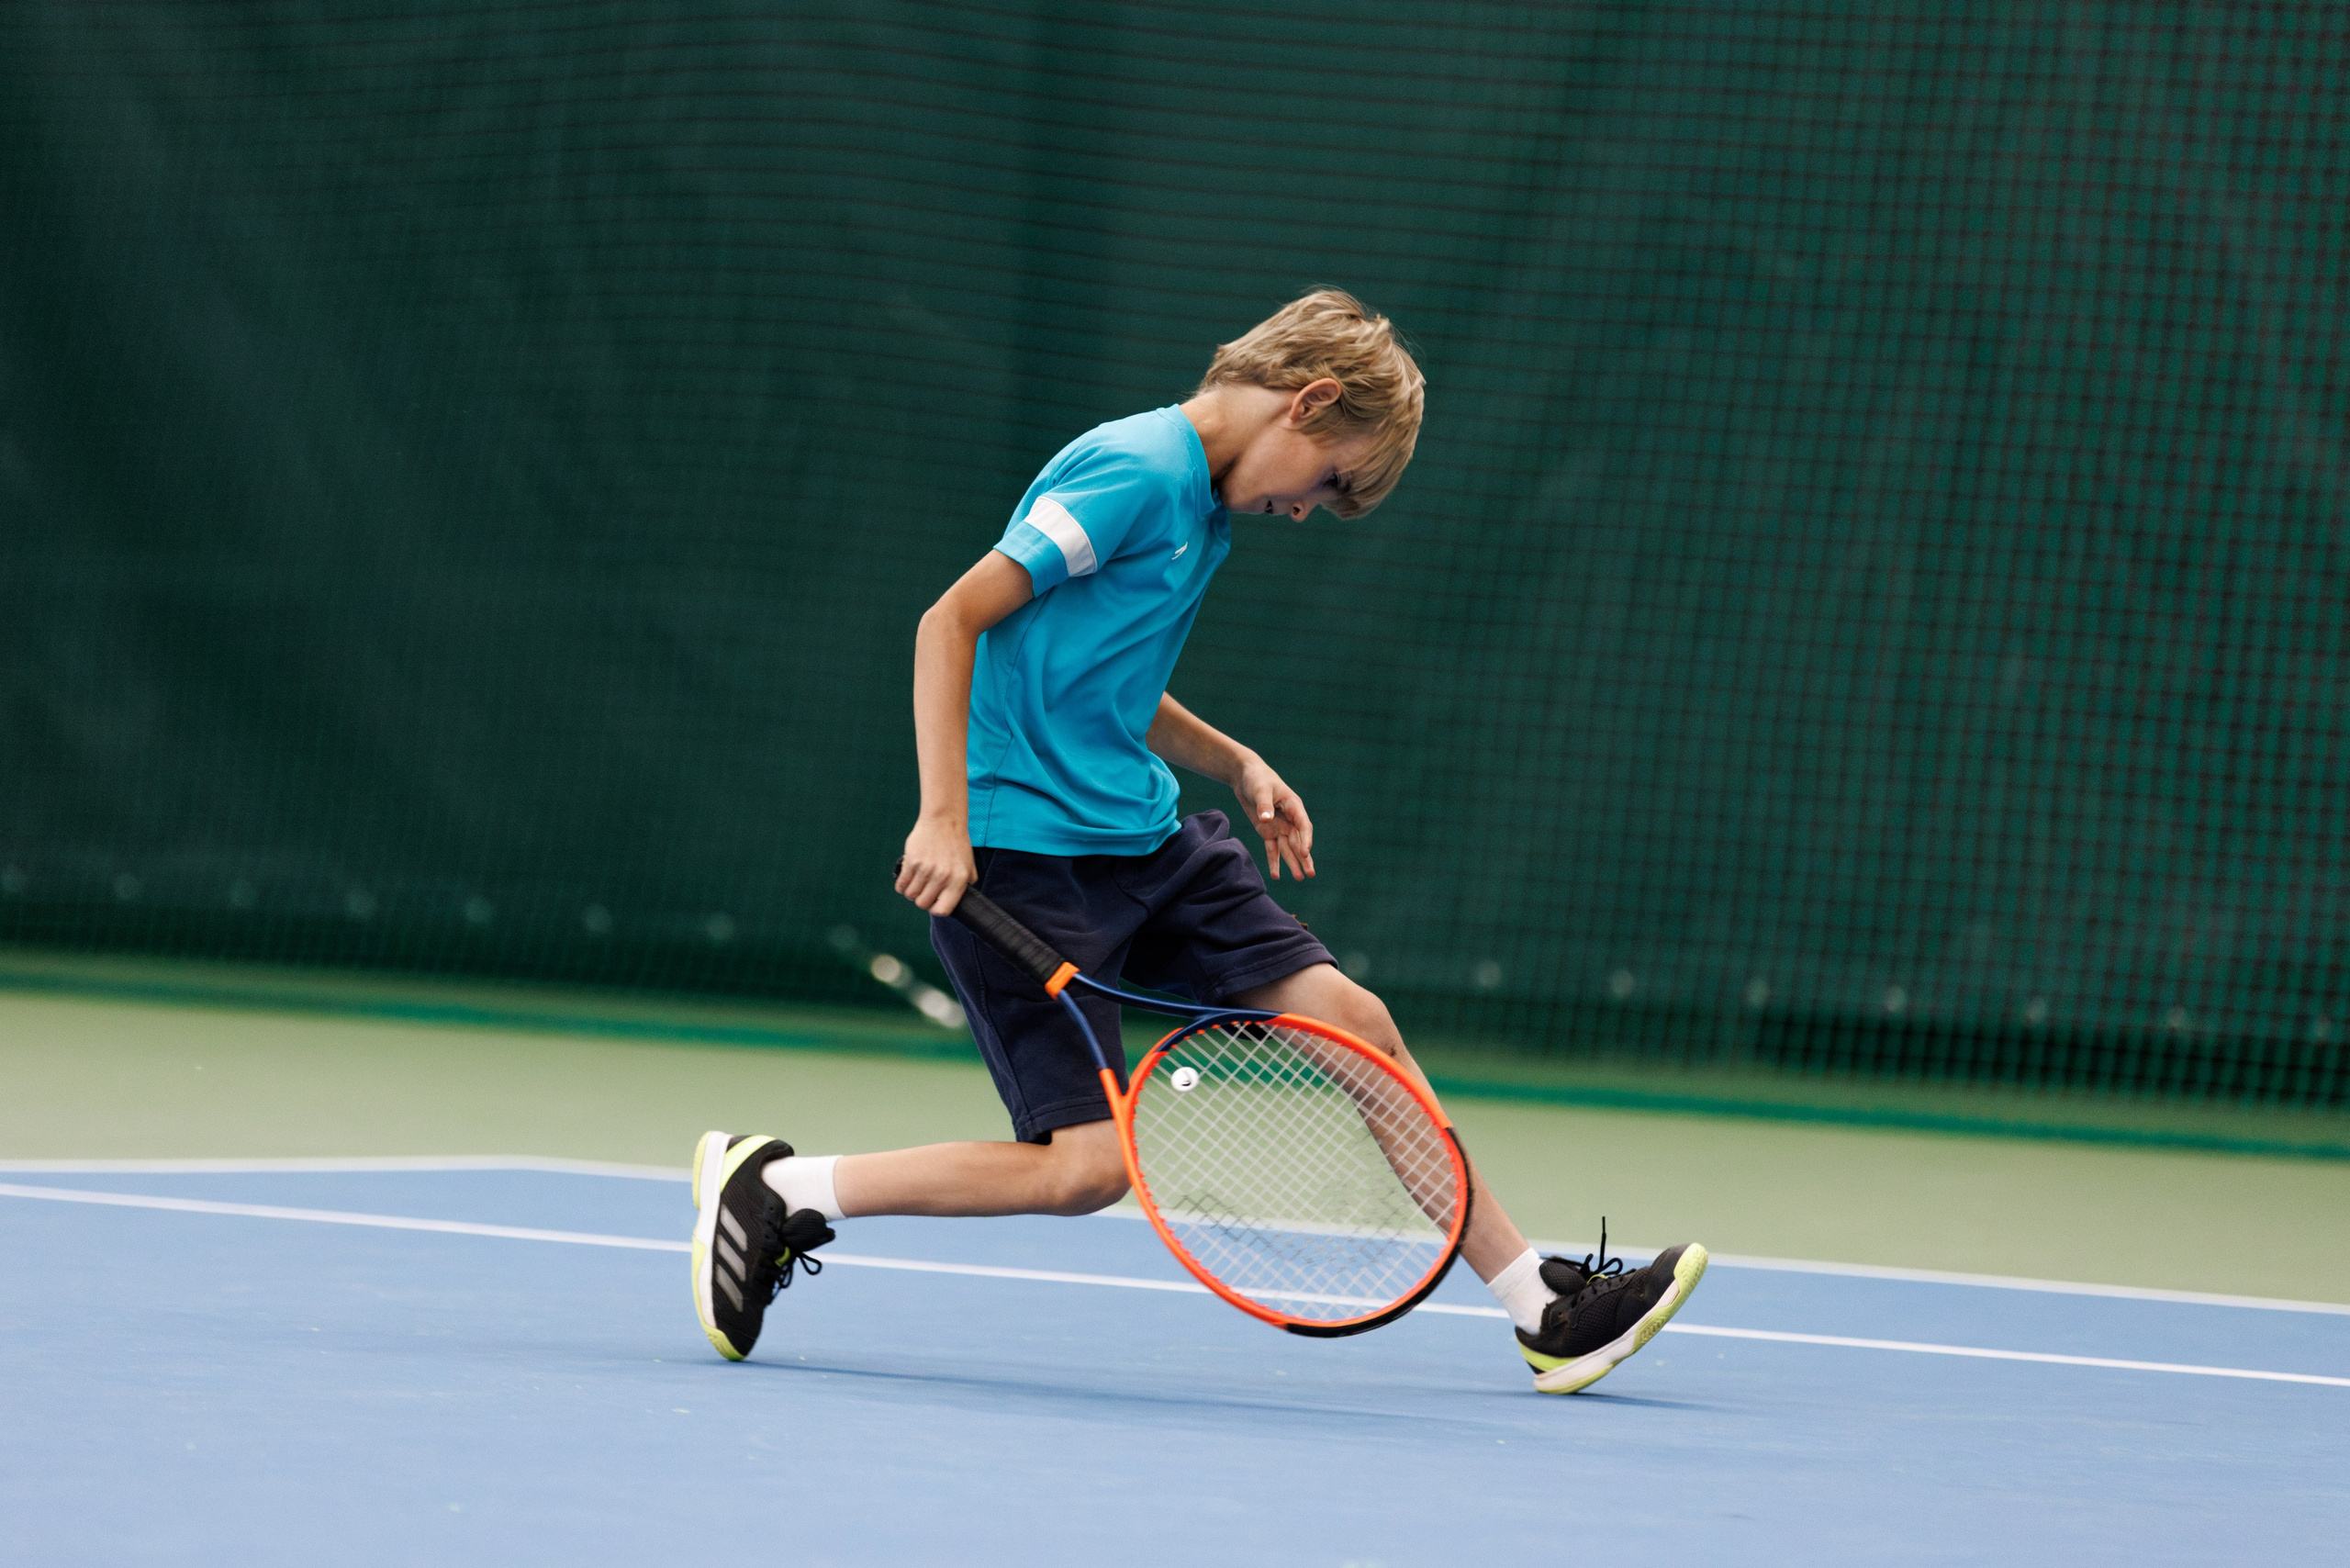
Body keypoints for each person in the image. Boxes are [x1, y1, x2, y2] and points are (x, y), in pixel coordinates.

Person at [690, 288, 1707, 1394]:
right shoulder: (1132, 472)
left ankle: (1541, 1306)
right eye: (1330, 481)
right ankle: (783, 1192)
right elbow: (955, 619)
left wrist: (1233, 759)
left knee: (1357, 1027)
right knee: (1084, 1172)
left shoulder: (1207, 510)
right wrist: (943, 817)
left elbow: (1099, 678)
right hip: (1023, 862)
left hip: (1149, 847)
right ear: (1307, 402)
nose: (1310, 510)